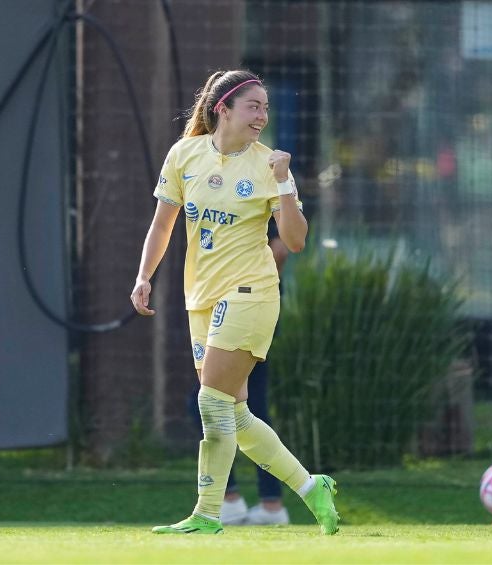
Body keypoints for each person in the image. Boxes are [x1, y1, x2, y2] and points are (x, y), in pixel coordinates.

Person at [130, 69, 339, 535]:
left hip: (251, 293)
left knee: (211, 401)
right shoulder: (183, 155)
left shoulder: (269, 166)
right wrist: (144, 275)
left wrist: (285, 182)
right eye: (253, 106)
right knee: (235, 414)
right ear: (222, 108)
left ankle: (207, 513)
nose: (262, 116)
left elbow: (296, 240)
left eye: (266, 107)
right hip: (199, 299)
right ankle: (311, 488)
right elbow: (162, 226)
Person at [187, 223, 290, 526]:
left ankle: (237, 501)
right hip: (220, 302)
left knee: (210, 403)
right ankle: (269, 504)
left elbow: (283, 247)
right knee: (245, 407)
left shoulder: (271, 179)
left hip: (249, 305)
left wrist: (248, 277)